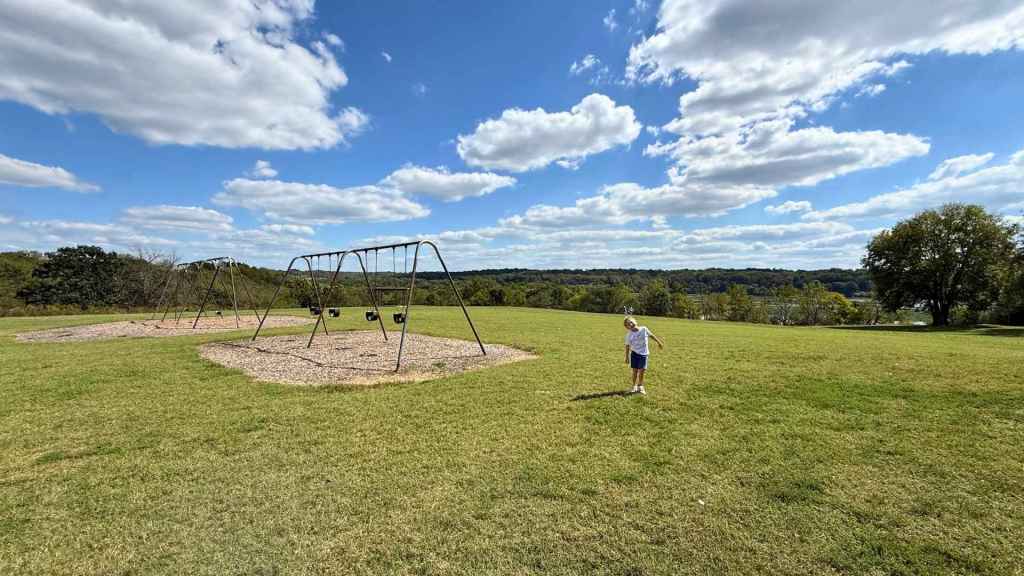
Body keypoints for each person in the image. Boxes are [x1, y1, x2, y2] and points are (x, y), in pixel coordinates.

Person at [623, 316, 664, 395]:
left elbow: (651, 335)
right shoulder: (629, 335)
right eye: (628, 324)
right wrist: (627, 357)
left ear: (635, 321)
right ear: (627, 327)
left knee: (641, 371)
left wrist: (658, 342)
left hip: (644, 354)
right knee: (635, 371)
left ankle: (640, 386)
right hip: (634, 354)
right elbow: (627, 346)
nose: (631, 324)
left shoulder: (644, 329)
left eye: (631, 322)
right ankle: (634, 386)